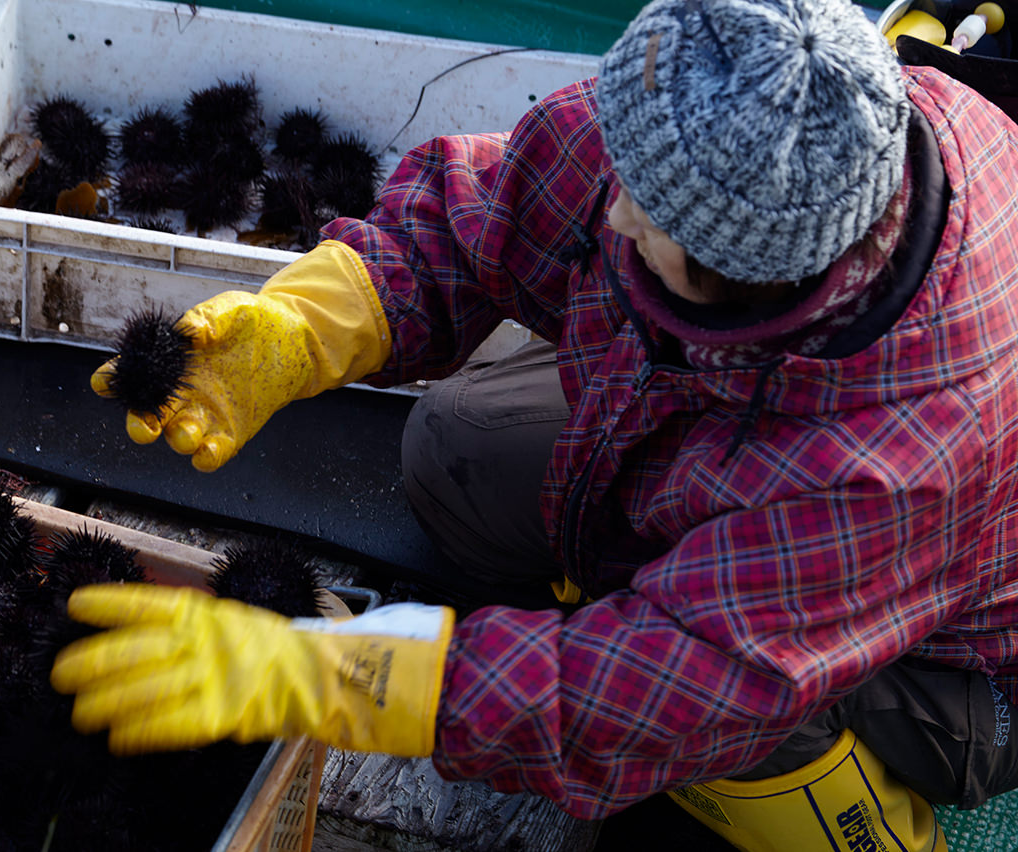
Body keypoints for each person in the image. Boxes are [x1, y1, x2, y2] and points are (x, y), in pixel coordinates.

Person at [49, 0, 1018, 848]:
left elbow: (653, 693)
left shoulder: (892, 461)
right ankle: (633, 570)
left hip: (948, 654)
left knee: (706, 725)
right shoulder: (730, 116)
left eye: (648, 216)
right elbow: (490, 216)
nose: (619, 212)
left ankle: (865, 833)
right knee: (453, 451)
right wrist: (307, 326)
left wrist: (347, 680)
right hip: (732, 416)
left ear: (754, 281)